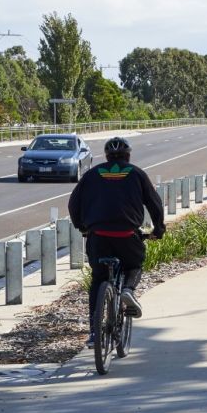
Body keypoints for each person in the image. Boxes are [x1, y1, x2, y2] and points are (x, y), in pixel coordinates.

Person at [68, 136, 165, 346]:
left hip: (98, 236)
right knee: (134, 264)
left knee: (98, 279)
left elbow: (73, 204)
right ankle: (128, 290)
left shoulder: (92, 174)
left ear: (106, 156)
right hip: (126, 235)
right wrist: (159, 229)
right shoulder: (137, 174)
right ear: (128, 156)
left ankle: (94, 334)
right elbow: (154, 204)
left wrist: (82, 227)